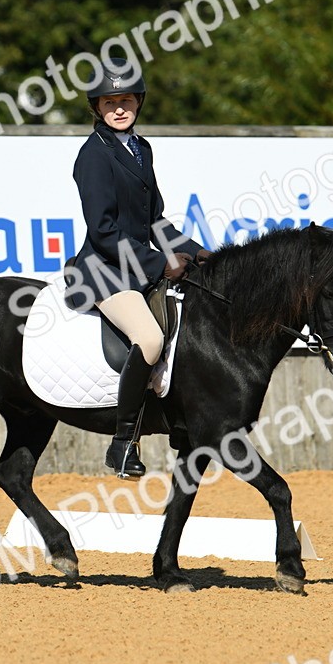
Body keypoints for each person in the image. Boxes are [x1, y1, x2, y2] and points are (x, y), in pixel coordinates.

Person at [63, 60, 212, 479]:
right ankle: (123, 443)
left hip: (137, 268)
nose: (119, 108)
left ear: (138, 102)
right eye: (110, 102)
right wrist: (160, 262)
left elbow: (155, 222)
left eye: (126, 100)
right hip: (102, 270)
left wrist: (200, 254)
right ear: (97, 107)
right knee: (149, 338)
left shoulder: (141, 149)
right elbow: (103, 231)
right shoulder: (93, 156)